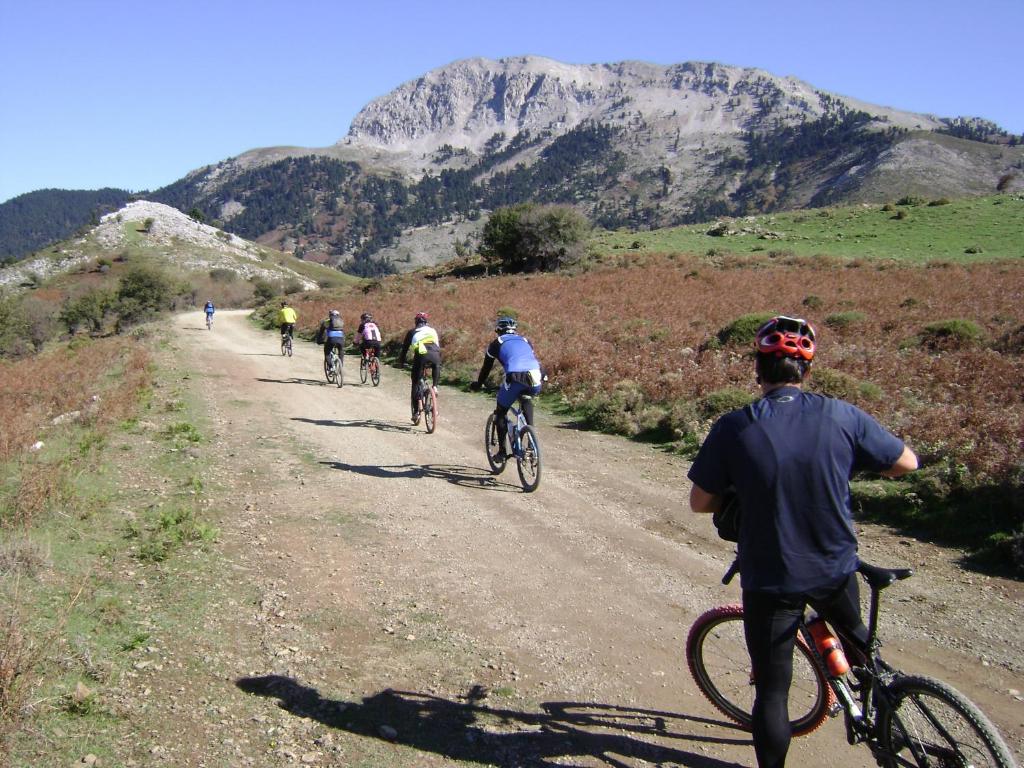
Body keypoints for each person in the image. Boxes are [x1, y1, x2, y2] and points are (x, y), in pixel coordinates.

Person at [687, 315, 918, 768]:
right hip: (835, 566)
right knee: (862, 652)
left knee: (773, 692)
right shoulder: (842, 415)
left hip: (770, 576)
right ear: (806, 370)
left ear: (758, 368)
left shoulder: (735, 426)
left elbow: (699, 502)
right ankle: (884, 724)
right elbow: (906, 463)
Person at [469, 316, 543, 456]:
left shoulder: (497, 343)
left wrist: (478, 384)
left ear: (498, 330)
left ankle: (502, 452)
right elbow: (532, 359)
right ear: (514, 330)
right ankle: (531, 440)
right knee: (526, 399)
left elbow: (486, 368)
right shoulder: (526, 340)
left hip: (515, 377)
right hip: (535, 375)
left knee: (500, 413)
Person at [398, 312, 441, 424]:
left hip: (421, 356)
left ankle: (416, 412)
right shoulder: (433, 330)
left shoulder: (412, 332)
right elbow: (437, 345)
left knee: (415, 382)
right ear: (426, 322)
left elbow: (404, 349)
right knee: (436, 365)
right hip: (435, 354)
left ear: (416, 322)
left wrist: (401, 362)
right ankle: (435, 386)